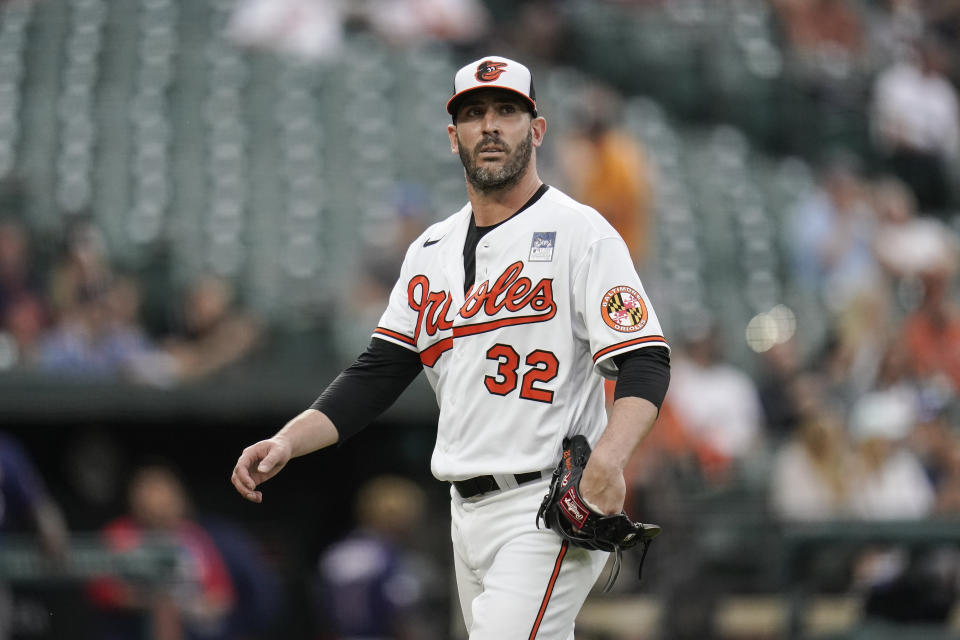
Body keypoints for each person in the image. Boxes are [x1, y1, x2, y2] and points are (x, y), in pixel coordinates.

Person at [231, 55, 671, 638]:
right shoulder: (430, 249)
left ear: (536, 130)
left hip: (545, 503)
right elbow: (379, 371)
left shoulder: (581, 232)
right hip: (464, 512)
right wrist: (288, 440)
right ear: (453, 136)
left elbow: (645, 359)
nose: (490, 125)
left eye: (507, 110)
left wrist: (612, 460)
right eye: (474, 113)